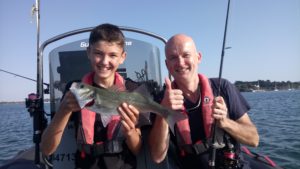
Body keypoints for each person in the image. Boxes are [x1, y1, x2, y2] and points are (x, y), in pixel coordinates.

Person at [149, 34, 259, 169]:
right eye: (173, 57)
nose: (180, 62)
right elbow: (157, 156)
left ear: (198, 57)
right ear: (167, 64)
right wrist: (163, 112)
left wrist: (225, 122)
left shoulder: (223, 87)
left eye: (186, 55)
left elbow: (254, 139)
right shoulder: (162, 99)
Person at [41, 23, 142, 169]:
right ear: (88, 52)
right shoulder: (74, 89)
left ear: (122, 57)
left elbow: (137, 149)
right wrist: (63, 110)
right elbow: (46, 149)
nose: (104, 61)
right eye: (98, 53)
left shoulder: (132, 90)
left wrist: (130, 131)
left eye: (112, 55)